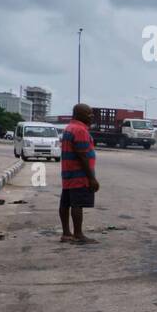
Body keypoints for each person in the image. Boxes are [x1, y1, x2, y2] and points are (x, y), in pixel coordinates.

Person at [59, 104, 100, 245]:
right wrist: (92, 178)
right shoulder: (80, 130)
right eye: (89, 114)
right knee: (77, 204)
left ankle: (66, 233)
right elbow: (83, 156)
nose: (91, 117)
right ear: (79, 115)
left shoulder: (69, 128)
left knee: (65, 203)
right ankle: (78, 234)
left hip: (68, 173)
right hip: (79, 174)